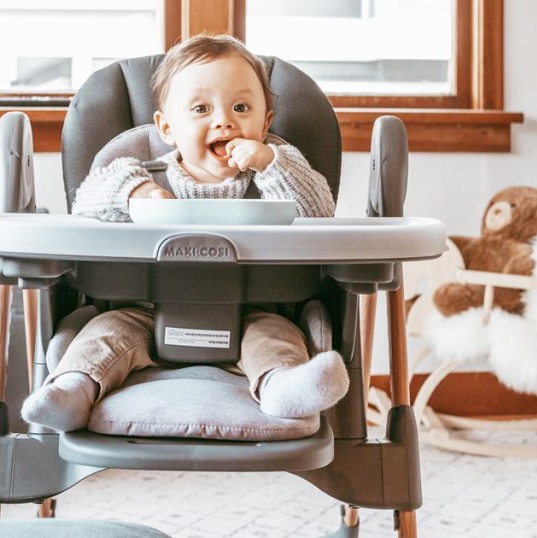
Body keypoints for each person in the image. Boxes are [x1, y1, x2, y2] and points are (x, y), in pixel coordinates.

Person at [21, 34, 349, 432]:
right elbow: (85, 201)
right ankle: (73, 390)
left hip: (257, 310)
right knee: (103, 336)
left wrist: (274, 162)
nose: (224, 120)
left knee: (278, 339)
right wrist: (136, 193)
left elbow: (319, 213)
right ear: (167, 127)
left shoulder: (277, 173)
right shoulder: (137, 173)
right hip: (143, 311)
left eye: (241, 107)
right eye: (200, 108)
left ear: (265, 124)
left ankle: (283, 387)